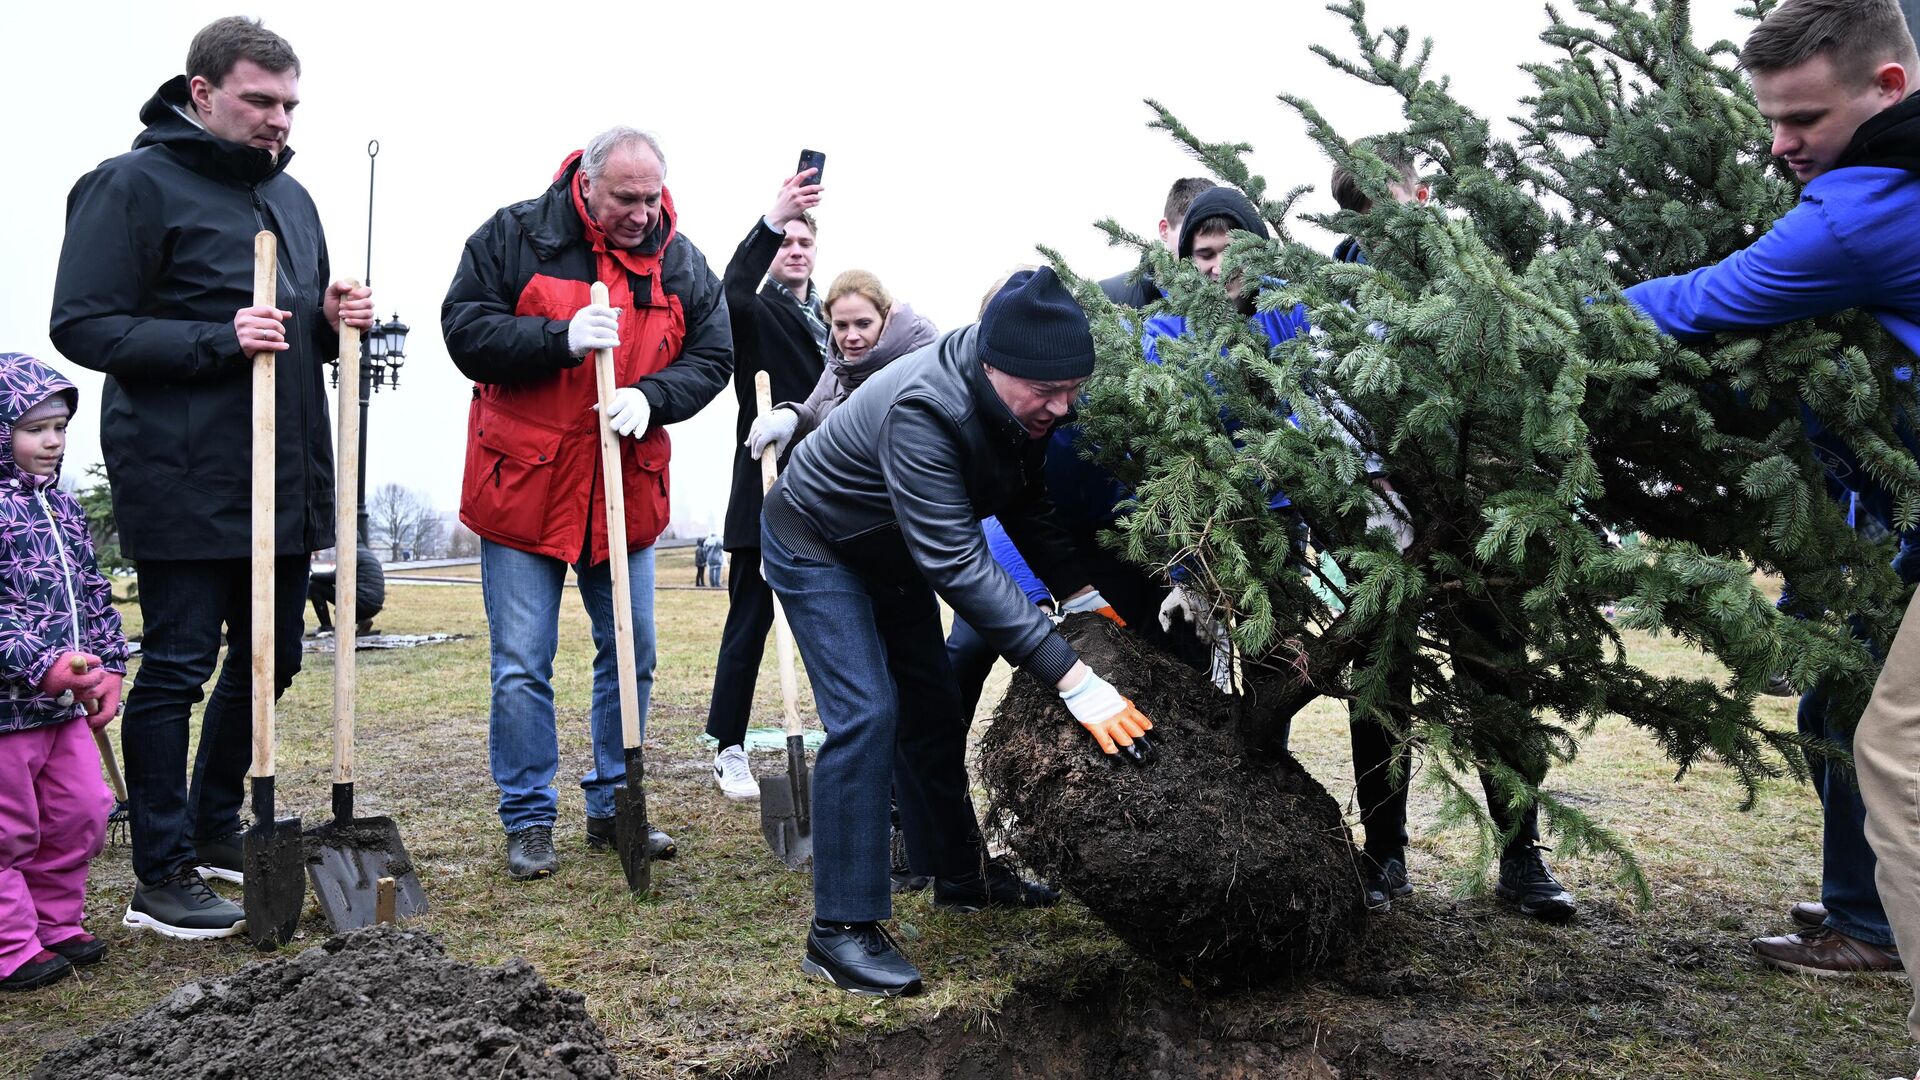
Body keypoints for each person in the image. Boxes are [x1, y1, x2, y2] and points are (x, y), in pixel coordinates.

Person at [49, 16, 373, 940]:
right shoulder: (130, 185)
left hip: (283, 473)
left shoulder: (293, 197)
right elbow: (83, 325)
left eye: (290, 104)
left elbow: (292, 334)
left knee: (277, 654)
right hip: (183, 471)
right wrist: (215, 337)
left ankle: (214, 820)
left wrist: (326, 319)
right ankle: (159, 871)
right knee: (182, 663)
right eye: (259, 100)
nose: (279, 119)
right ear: (202, 93)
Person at [1621, 0, 1920, 989]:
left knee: (1893, 750)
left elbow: (1704, 301)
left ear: (1889, 88)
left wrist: (1529, 311)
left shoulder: (1870, 205)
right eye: (1771, 120)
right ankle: (1873, 912)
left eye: (1804, 121)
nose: (1782, 145)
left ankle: (1881, 936)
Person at [762, 267, 1152, 998]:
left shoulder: (1021, 405)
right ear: (996, 367)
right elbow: (959, 562)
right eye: (1049, 392)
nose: (1063, 408)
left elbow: (1026, 503)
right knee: (867, 714)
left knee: (933, 707)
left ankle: (962, 877)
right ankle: (839, 930)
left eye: (1074, 390)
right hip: (817, 540)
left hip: (893, 548)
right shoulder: (927, 407)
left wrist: (1084, 596)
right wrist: (1073, 678)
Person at [443, 126, 732, 880]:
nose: (642, 213)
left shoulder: (681, 259)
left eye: (651, 197)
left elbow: (715, 354)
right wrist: (557, 338)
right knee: (520, 663)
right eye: (626, 199)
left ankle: (614, 804)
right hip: (524, 485)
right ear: (589, 184)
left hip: (623, 484)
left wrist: (652, 396)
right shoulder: (515, 237)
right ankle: (529, 818)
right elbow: (465, 331)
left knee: (633, 652)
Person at [0, 354, 126, 991]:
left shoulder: (64, 508)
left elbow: (92, 593)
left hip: (63, 707)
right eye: (33, 429)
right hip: (7, 713)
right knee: (6, 830)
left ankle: (54, 924)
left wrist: (109, 671)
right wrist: (41, 664)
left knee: (80, 812)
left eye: (59, 428)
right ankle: (9, 944)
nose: (51, 441)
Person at [705, 169, 830, 801]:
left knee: (834, 618)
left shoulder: (835, 322)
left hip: (827, 496)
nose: (796, 249)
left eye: (805, 241)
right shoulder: (755, 311)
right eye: (786, 242)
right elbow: (727, 289)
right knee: (749, 621)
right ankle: (728, 746)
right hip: (764, 485)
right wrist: (770, 221)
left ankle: (846, 733)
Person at [1097, 177, 1217, 307]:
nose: (1201, 246)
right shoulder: (1108, 296)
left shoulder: (1235, 297)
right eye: (1190, 234)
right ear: (1164, 229)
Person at [308, 541, 385, 636]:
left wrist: (312, 575)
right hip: (374, 606)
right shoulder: (367, 554)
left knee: (315, 586)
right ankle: (363, 620)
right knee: (344, 603)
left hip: (361, 603)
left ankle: (326, 627)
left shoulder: (353, 554)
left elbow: (336, 577)